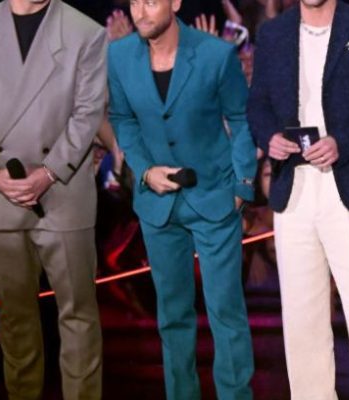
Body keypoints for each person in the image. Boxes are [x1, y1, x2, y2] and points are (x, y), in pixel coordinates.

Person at [247, 0, 349, 396]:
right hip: (294, 194)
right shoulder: (273, 33)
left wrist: (344, 143)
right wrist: (268, 135)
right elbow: (257, 105)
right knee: (302, 326)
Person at [0, 0, 107, 398]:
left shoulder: (85, 31)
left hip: (63, 190)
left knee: (77, 316)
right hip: (0, 191)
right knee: (16, 319)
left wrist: (50, 172)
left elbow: (88, 111)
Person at [107, 0, 257, 397]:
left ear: (175, 3)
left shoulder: (215, 55)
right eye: (134, 2)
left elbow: (241, 120)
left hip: (214, 197)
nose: (140, 11)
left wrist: (242, 187)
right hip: (158, 204)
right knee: (172, 316)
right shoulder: (119, 55)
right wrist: (143, 170)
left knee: (226, 313)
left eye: (151, 2)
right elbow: (122, 119)